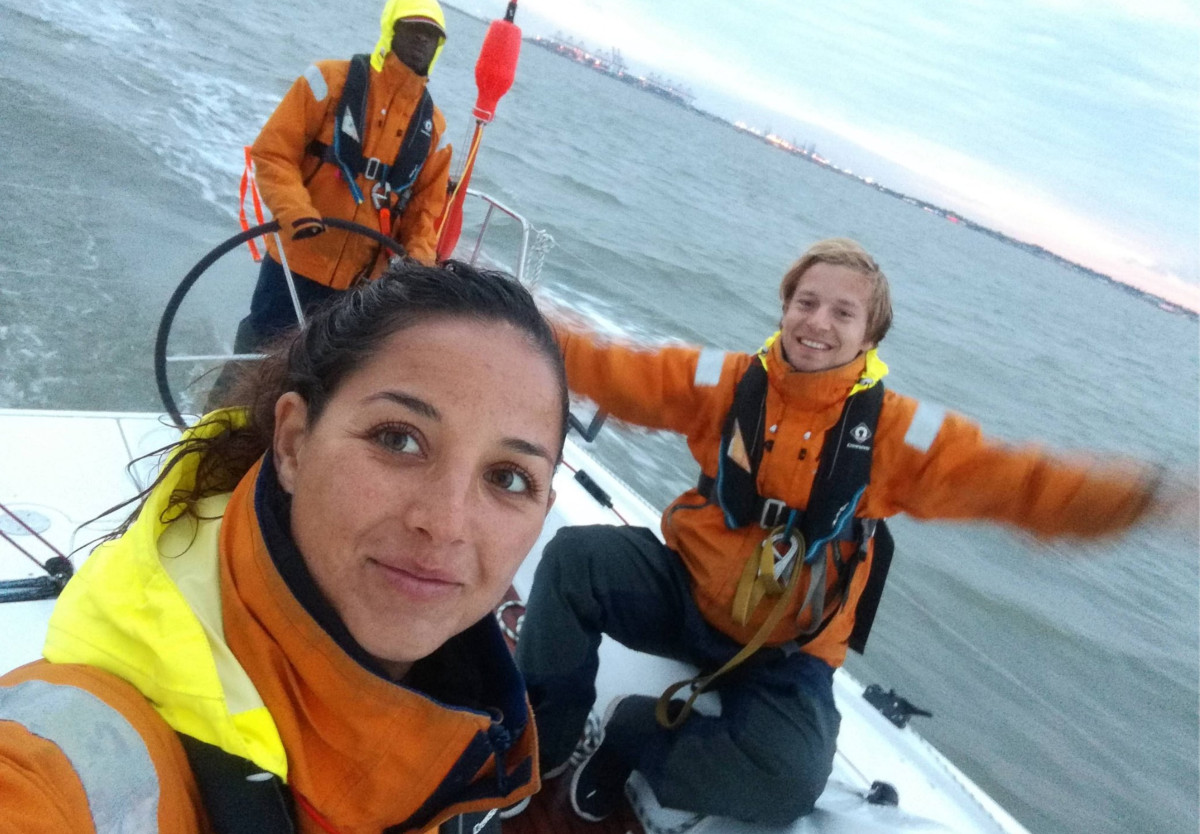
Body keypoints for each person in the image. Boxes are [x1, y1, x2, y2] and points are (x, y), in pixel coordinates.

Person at [514, 238, 1180, 828]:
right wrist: (514, 322)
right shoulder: (726, 383)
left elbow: (1014, 483)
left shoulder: (897, 434)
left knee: (788, 783)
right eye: (806, 302)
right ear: (783, 309)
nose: (817, 323)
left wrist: (1143, 501)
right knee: (575, 560)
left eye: (842, 312)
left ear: (870, 334)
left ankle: (633, 739)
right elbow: (618, 372)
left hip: (789, 648)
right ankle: (543, 736)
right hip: (685, 591)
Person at [0, 261, 569, 833]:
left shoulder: (476, 735)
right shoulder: (61, 766)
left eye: (509, 477)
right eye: (397, 439)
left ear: (543, 511)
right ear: (294, 444)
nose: (446, 524)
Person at [234, 0, 454, 356]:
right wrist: (295, 210)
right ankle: (225, 411)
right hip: (296, 256)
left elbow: (424, 213)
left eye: (431, 35)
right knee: (257, 353)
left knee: (325, 373)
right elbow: (273, 152)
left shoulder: (435, 132)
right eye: (412, 29)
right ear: (390, 30)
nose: (421, 41)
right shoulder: (326, 81)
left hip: (362, 285)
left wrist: (418, 263)